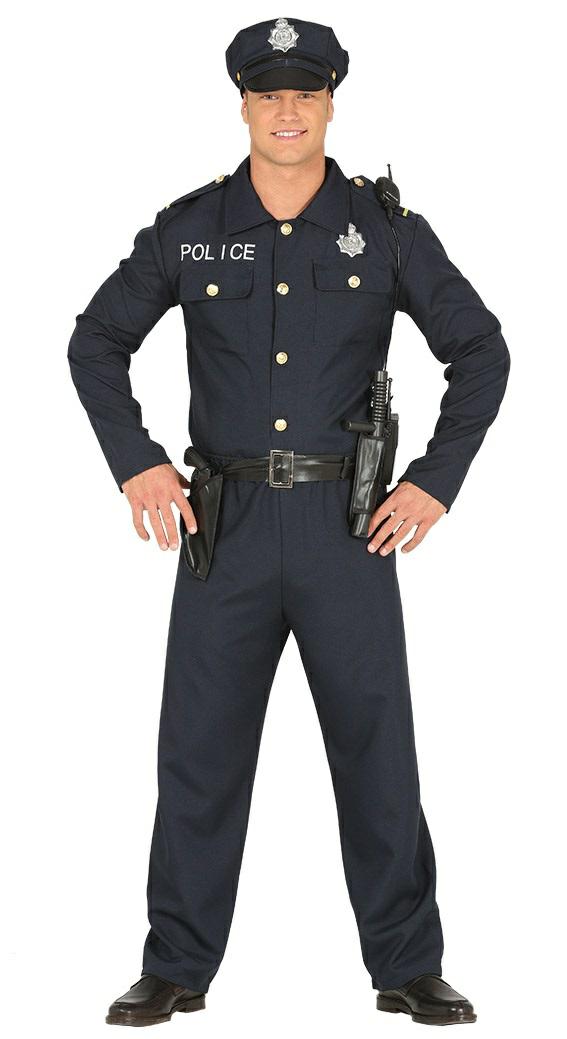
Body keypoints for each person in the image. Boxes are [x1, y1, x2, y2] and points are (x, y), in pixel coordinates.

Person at [68, 17, 510, 1028]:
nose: (286, 111)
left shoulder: (384, 231)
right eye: (268, 94)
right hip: (222, 527)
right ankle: (176, 964)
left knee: (376, 749)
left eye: (304, 93)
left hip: (345, 529)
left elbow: (480, 351)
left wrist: (434, 482)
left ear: (330, 104)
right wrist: (136, 460)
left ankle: (408, 964)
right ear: (242, 106)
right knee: (199, 754)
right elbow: (96, 341)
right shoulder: (191, 229)